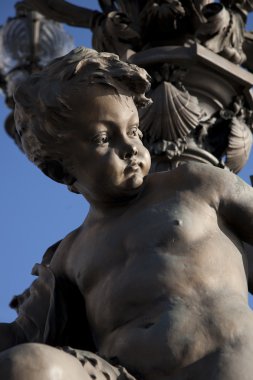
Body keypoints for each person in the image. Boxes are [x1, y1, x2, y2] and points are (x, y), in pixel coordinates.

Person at [0, 46, 253, 380]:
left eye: (134, 130)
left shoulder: (195, 185)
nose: (131, 147)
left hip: (221, 362)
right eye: (104, 138)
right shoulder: (68, 256)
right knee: (26, 366)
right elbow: (21, 336)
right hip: (122, 374)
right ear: (60, 169)